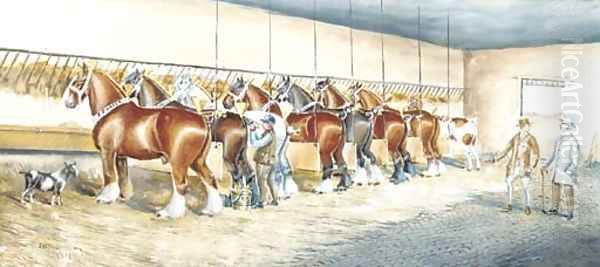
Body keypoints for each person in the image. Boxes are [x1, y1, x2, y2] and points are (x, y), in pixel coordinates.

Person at [493, 117, 540, 215]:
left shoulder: (531, 138)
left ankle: (527, 206)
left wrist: (532, 166)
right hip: (514, 165)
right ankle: (509, 204)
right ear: (521, 127)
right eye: (524, 126)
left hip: (525, 166)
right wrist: (497, 158)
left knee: (525, 187)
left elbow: (536, 153)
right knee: (509, 182)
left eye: (527, 126)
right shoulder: (515, 138)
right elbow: (506, 149)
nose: (526, 128)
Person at [542, 116, 580, 220]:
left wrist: (569, 171)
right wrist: (546, 165)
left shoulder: (573, 141)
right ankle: (554, 208)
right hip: (557, 170)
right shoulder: (558, 139)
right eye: (561, 125)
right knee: (555, 187)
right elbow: (553, 155)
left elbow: (575, 160)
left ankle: (570, 212)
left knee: (568, 191)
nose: (561, 126)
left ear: (569, 127)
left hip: (567, 172)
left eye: (564, 125)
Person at [247, 114, 279, 208]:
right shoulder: (268, 133)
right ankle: (274, 200)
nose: (262, 124)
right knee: (270, 181)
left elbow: (256, 143)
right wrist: (254, 130)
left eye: (265, 122)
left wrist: (252, 131)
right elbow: (258, 138)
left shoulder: (269, 135)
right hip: (270, 160)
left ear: (270, 125)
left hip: (264, 161)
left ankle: (262, 201)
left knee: (261, 181)